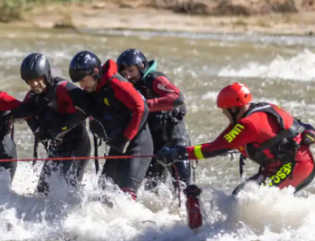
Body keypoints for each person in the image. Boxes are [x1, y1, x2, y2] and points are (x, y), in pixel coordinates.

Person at [157, 83, 315, 195]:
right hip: (284, 165)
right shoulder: (257, 111)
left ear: (234, 109)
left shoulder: (248, 125)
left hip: (296, 167)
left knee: (248, 200)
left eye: (225, 110)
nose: (223, 114)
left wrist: (178, 153)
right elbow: (218, 143)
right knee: (240, 195)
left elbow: (213, 149)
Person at [68, 51, 151, 199]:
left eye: (83, 80)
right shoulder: (93, 90)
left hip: (137, 144)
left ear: (95, 73)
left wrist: (125, 139)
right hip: (118, 146)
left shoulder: (115, 83)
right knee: (103, 194)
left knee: (126, 197)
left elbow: (142, 108)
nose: (81, 85)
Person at [11, 53, 91, 195]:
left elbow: (86, 108)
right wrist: (39, 132)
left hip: (77, 145)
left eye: (37, 78)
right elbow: (25, 116)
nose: (34, 84)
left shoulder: (61, 88)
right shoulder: (31, 97)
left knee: (68, 190)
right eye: (30, 80)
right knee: (41, 193)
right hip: (56, 149)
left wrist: (60, 130)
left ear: (46, 75)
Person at [117, 49, 191, 190]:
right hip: (154, 148)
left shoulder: (155, 78)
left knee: (184, 191)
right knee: (151, 193)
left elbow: (177, 98)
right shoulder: (130, 88)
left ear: (142, 66)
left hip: (176, 144)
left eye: (131, 71)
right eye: (124, 73)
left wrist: (145, 105)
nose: (128, 76)